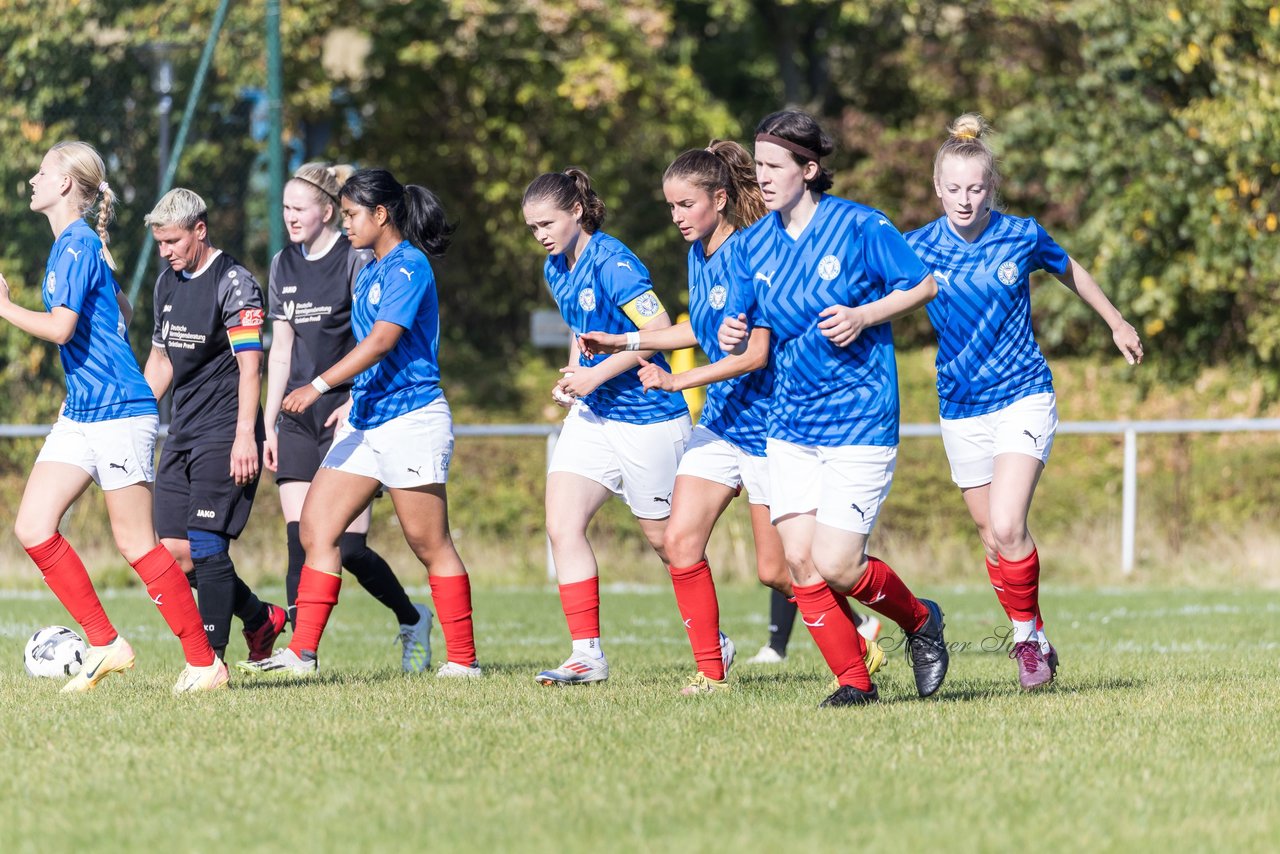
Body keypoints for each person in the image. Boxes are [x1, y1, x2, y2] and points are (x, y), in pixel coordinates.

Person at [580, 141, 884, 693]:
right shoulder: (699, 256)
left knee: (778, 570)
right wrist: (622, 338)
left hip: (769, 428)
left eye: (685, 205)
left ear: (719, 200)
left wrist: (676, 379)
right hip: (721, 421)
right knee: (680, 541)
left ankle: (863, 630)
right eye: (670, 207)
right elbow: (699, 327)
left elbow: (755, 355)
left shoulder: (753, 253)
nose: (676, 218)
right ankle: (711, 672)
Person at [905, 113, 1143, 690]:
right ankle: (1034, 631)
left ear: (992, 190)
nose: (965, 200)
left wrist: (1115, 321)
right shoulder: (913, 249)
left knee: (1009, 524)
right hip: (960, 406)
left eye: (977, 188)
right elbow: (864, 297)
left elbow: (1072, 271)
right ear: (938, 189)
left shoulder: (1022, 234)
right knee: (992, 536)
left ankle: (1024, 646)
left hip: (1022, 394)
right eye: (954, 189)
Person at [720, 110, 949, 707]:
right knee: (798, 560)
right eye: (759, 165)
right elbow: (744, 327)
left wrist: (864, 315)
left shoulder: (860, 225)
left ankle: (922, 622)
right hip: (790, 422)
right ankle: (854, 682)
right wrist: (730, 332)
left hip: (860, 417)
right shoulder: (751, 245)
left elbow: (923, 284)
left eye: (774, 166)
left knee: (840, 564)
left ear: (809, 169)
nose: (762, 177)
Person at [0, 141, 223, 693]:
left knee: (136, 545)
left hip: (120, 412)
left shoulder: (75, 244)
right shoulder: (78, 246)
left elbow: (60, 329)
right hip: (82, 412)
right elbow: (119, 311)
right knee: (31, 526)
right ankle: (104, 643)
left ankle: (205, 663)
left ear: (66, 185)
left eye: (43, 171)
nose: (33, 178)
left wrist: (3, 307)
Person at [238, 168, 479, 679]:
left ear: (380, 214)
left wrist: (321, 387)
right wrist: (355, 400)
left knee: (429, 543)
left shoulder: (408, 266)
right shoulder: (368, 270)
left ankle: (463, 660)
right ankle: (303, 654)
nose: (346, 225)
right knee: (317, 530)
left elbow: (381, 342)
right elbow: (363, 351)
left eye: (350, 215)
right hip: (368, 420)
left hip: (412, 418)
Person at [522, 167, 698, 686]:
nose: (541, 236)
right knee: (562, 523)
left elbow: (661, 332)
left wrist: (597, 372)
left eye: (547, 223)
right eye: (532, 228)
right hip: (596, 416)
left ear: (577, 211)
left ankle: (715, 644)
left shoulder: (616, 262)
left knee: (669, 544)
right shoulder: (557, 267)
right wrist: (577, 378)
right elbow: (588, 338)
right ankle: (586, 655)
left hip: (648, 416)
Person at [264, 162, 433, 672]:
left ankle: (411, 617)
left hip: (348, 412)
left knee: (352, 546)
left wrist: (346, 396)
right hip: (297, 415)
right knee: (304, 536)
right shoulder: (281, 265)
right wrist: (266, 421)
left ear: (326, 212)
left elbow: (375, 335)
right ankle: (301, 651)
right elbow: (280, 350)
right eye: (285, 208)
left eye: (299, 208)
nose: (289, 217)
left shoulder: (359, 258)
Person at [143, 188, 286, 664]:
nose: (165, 252)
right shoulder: (167, 281)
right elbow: (161, 359)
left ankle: (212, 661)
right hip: (183, 430)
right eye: (160, 243)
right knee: (174, 553)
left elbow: (251, 367)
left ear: (199, 231)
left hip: (226, 430)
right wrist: (139, 416)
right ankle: (260, 618)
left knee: (206, 544)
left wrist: (247, 434)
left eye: (173, 241)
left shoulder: (235, 283)